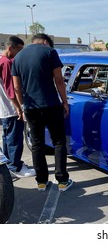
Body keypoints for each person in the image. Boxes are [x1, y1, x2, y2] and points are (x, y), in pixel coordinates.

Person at [12, 33, 73, 192]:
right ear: (46, 42)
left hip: (31, 107)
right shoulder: (50, 52)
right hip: (51, 104)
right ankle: (62, 181)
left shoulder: (18, 58)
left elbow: (16, 87)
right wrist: (65, 102)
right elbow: (59, 80)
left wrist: (22, 106)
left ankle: (41, 182)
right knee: (59, 142)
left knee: (37, 144)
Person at [0, 36, 36, 178]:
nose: (21, 53)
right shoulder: (8, 63)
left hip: (4, 109)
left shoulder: (2, 61)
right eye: (19, 50)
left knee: (8, 138)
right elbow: (12, 90)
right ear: (11, 48)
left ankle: (9, 164)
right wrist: (19, 108)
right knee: (14, 139)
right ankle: (15, 167)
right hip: (11, 109)